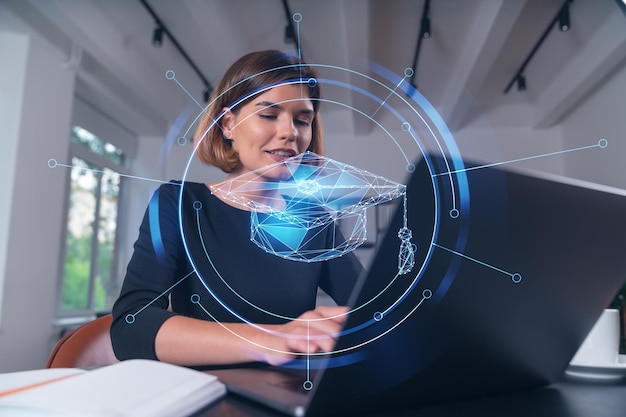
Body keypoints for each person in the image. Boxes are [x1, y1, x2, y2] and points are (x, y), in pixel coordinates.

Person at [111, 50, 363, 368]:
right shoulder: (178, 205)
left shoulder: (315, 220)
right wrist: (270, 340)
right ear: (229, 124)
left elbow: (375, 307)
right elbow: (130, 327)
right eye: (269, 115)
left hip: (290, 396)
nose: (290, 132)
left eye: (303, 119)